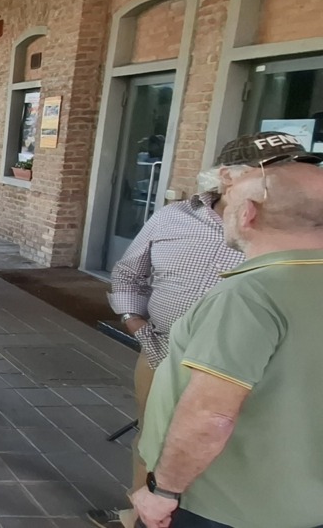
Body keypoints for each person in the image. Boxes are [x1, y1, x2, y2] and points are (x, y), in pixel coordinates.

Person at [88, 132, 316, 528]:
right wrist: (137, 326)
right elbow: (128, 274)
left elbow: (212, 416)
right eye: (270, 171)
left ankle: (171, 506)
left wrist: (168, 493)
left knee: (225, 440)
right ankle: (140, 510)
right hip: (161, 351)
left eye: (293, 167)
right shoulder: (174, 217)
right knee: (153, 439)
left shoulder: (287, 247)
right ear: (227, 176)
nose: (286, 179)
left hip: (248, 373)